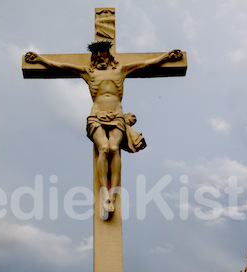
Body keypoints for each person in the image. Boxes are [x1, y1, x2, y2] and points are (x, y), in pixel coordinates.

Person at [25, 42, 182, 215]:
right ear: (93, 57)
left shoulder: (120, 70)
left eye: (103, 54)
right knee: (104, 148)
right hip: (96, 115)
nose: (100, 57)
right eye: (97, 55)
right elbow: (61, 66)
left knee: (114, 148)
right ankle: (105, 193)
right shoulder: (88, 72)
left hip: (117, 116)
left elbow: (146, 64)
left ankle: (113, 194)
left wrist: (166, 57)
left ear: (109, 55)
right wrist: (40, 59)